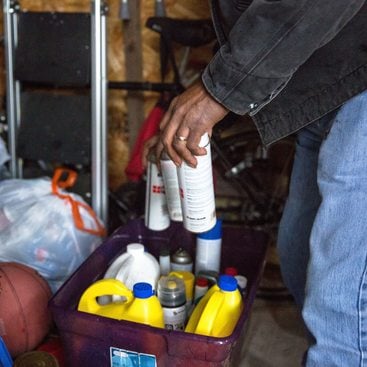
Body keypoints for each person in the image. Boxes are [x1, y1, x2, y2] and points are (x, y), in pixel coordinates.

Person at [145, 1, 367, 366]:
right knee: (299, 254)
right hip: (330, 78)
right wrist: (204, 111)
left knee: (342, 298)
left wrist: (220, 91)